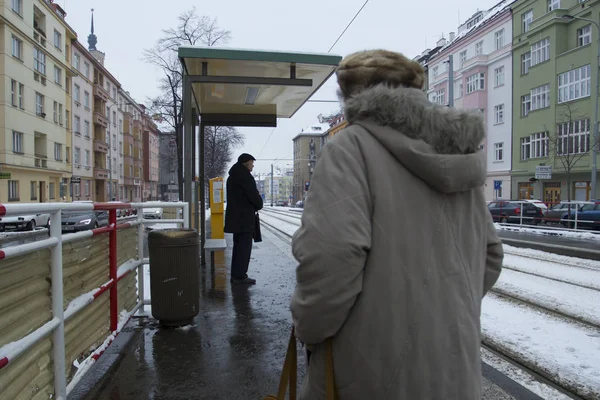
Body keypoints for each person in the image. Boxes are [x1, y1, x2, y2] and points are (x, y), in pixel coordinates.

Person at [290, 49, 504, 399]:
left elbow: (330, 259)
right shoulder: (455, 152)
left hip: (370, 370)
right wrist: (438, 307)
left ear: (354, 96)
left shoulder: (350, 148)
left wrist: (309, 328)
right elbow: (490, 255)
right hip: (454, 370)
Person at [224, 153, 263, 284]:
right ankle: (240, 276)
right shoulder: (245, 177)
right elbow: (254, 197)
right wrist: (259, 202)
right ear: (246, 163)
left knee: (238, 247)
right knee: (244, 249)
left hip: (236, 218)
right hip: (244, 219)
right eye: (252, 162)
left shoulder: (233, 176)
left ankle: (236, 274)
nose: (253, 165)